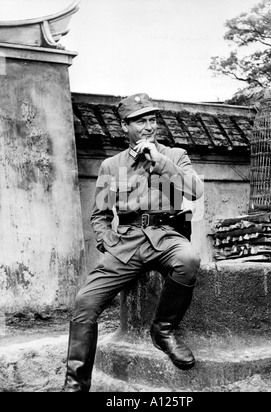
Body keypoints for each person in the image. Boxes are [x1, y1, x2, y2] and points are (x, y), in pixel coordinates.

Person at [63, 93, 204, 392]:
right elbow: (100, 215)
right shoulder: (111, 166)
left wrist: (161, 161)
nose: (150, 126)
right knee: (85, 303)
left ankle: (163, 330)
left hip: (166, 236)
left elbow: (195, 191)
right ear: (124, 127)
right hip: (125, 243)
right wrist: (107, 242)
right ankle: (75, 386)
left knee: (188, 260)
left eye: (152, 120)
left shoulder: (175, 155)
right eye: (141, 121)